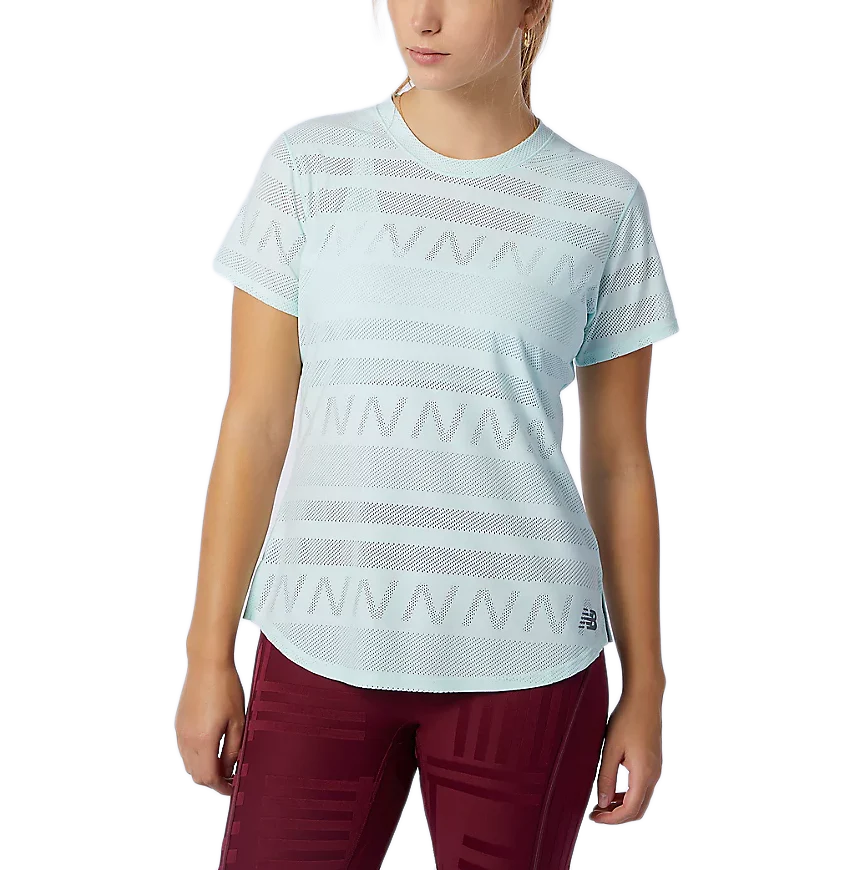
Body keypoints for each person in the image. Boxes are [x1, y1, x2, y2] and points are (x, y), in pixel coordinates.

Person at [175, 1, 680, 867]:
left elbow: (618, 461)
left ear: (532, 8)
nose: (423, 16)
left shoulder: (600, 205)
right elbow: (254, 424)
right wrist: (207, 650)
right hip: (320, 641)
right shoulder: (311, 170)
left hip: (530, 659)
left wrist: (645, 685)